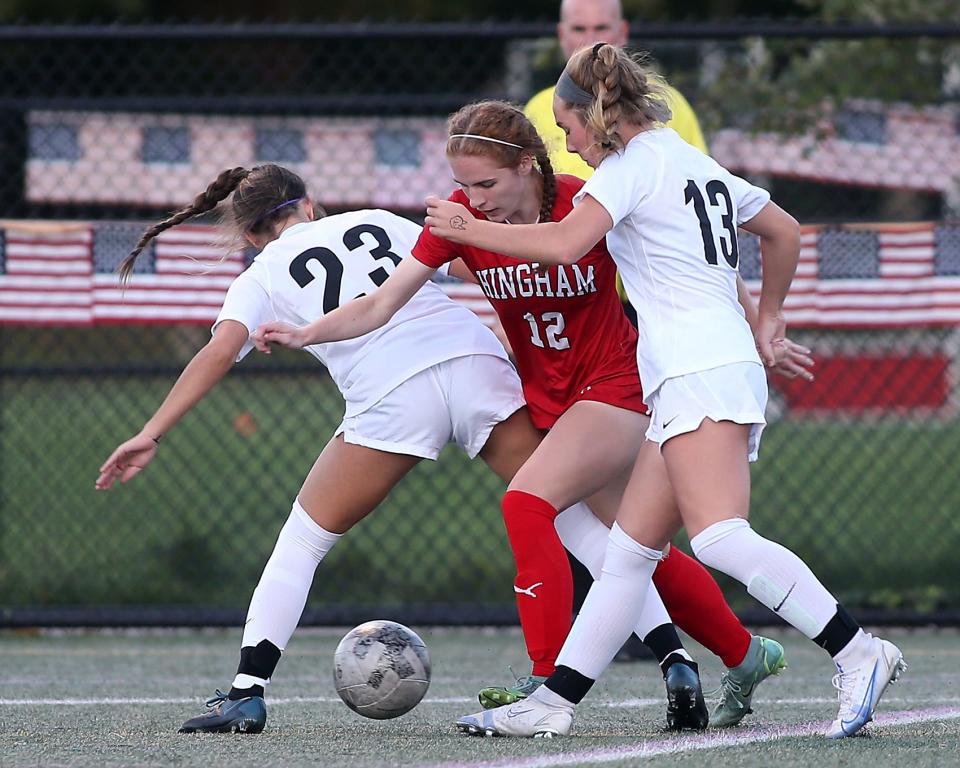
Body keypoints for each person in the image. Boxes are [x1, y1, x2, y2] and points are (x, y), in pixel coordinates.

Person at [254, 103, 814, 731]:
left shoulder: (585, 201)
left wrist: (758, 323)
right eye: (462, 184)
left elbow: (691, 256)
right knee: (630, 545)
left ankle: (547, 683)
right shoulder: (462, 220)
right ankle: (743, 654)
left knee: (526, 504)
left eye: (486, 184)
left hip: (617, 385)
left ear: (528, 166)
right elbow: (379, 303)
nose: (472, 198)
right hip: (553, 400)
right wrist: (307, 333)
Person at [425, 45, 906, 740]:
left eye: (569, 129)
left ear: (597, 119)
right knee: (628, 554)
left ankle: (859, 651)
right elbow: (782, 230)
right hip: (696, 369)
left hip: (697, 370)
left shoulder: (630, 168)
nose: (568, 144)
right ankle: (552, 703)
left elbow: (564, 245)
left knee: (718, 537)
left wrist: (468, 229)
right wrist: (768, 322)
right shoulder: (688, 159)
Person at [95, 163, 565, 734]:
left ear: (248, 235)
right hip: (474, 363)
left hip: (392, 392)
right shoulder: (376, 220)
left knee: (302, 541)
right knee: (569, 513)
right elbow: (491, 271)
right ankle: (671, 660)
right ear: (309, 205)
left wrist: (151, 431)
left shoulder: (261, 275)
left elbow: (218, 353)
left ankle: (247, 693)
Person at [525, 0, 709, 649]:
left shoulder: (663, 122)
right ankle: (622, 637)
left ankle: (632, 641)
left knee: (697, 526)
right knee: (590, 500)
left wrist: (463, 231)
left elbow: (693, 211)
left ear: (622, 38)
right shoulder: (538, 111)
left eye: (601, 29)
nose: (589, 39)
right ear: (560, 37)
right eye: (578, 29)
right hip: (556, 309)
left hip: (631, 309)